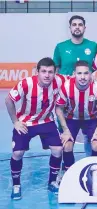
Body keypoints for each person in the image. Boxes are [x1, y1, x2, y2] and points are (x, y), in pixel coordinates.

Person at [5, 58, 64, 199]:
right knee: (18, 153)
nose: (47, 75)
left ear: (55, 73)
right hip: (26, 122)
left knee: (58, 149)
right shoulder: (26, 83)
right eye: (43, 71)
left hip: (46, 121)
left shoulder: (60, 81)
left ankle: (52, 182)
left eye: (50, 72)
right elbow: (8, 100)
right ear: (37, 72)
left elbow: (76, 82)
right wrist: (15, 122)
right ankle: (16, 185)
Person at [53, 15, 97, 157]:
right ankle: (64, 169)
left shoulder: (93, 46)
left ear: (84, 28)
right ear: (70, 28)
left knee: (91, 137)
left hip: (88, 98)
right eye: (74, 24)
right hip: (68, 99)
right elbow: (55, 71)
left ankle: (90, 163)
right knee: (66, 137)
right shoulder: (61, 47)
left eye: (80, 24)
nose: (77, 27)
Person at [55, 61, 97, 173]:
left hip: (91, 119)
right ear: (74, 73)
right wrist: (65, 130)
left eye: (86, 73)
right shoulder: (66, 86)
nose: (83, 77)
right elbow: (59, 108)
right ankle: (68, 172)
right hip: (71, 119)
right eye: (79, 73)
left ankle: (95, 172)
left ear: (90, 74)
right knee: (67, 144)